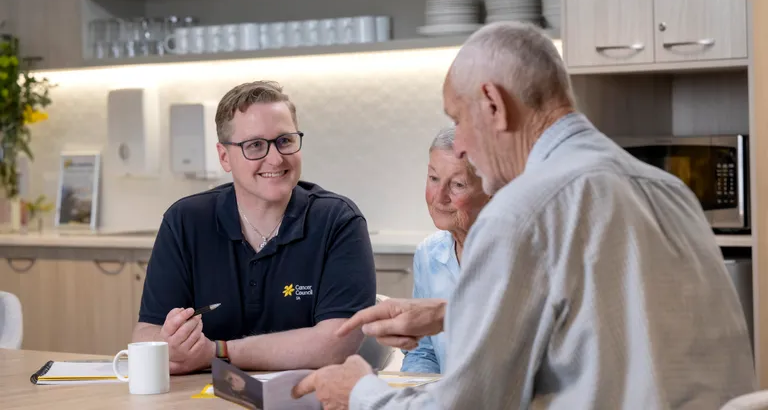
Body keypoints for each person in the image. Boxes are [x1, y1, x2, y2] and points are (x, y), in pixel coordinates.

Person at [292, 22, 756, 409]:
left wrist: (359, 392)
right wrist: (453, 314)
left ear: (494, 105)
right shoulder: (668, 189)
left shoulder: (523, 211)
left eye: (459, 119)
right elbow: (610, 325)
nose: (463, 146)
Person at [132, 80, 377, 375]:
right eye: (255, 145)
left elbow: (337, 343)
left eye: (285, 141)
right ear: (224, 157)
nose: (275, 158)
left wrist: (217, 352)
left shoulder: (338, 221)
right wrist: (171, 343)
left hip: (306, 399)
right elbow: (146, 334)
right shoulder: (184, 221)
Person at [400, 126, 490, 374]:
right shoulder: (428, 254)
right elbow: (422, 349)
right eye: (433, 178)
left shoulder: (518, 256)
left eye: (458, 184)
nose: (439, 197)